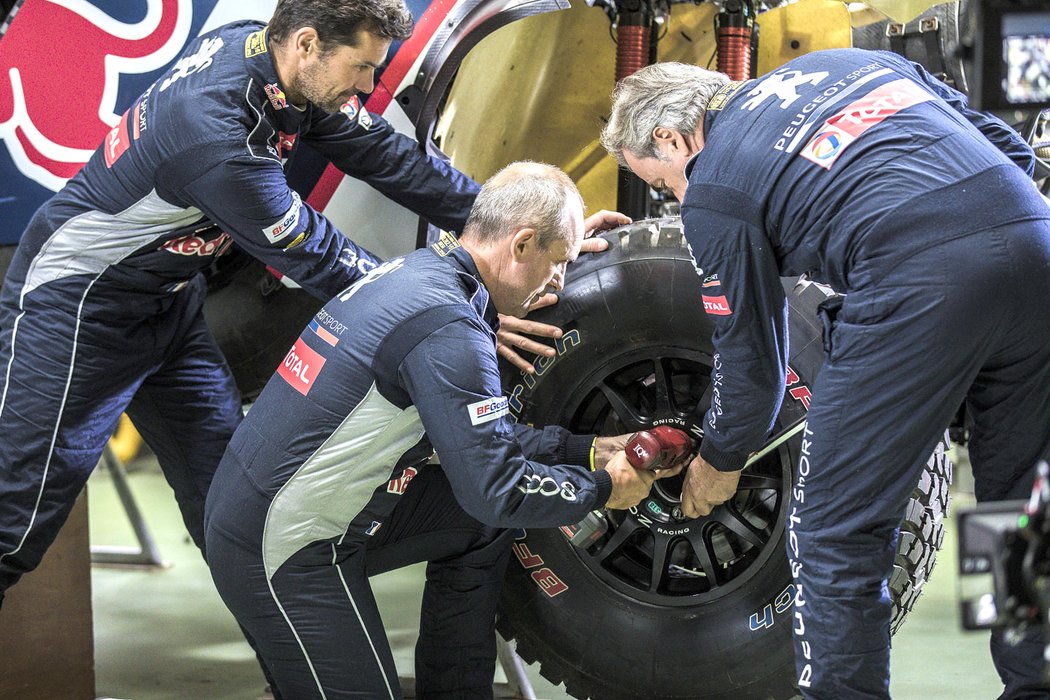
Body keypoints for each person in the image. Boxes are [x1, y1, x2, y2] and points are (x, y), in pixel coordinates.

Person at [0, 0, 608, 605]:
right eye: (363, 68)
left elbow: (394, 159)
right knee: (15, 525)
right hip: (76, 308)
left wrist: (522, 229)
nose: (369, 86)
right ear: (308, 43)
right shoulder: (216, 138)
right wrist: (455, 316)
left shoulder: (277, 66)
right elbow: (326, 259)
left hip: (169, 303)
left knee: (233, 519)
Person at [601, 49, 1050, 698]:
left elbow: (753, 359)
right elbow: (1010, 146)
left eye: (661, 181)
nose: (675, 196)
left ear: (671, 138)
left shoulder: (717, 183)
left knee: (837, 533)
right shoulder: (853, 61)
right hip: (1035, 245)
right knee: (1019, 511)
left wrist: (718, 462)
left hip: (914, 279)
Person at [203, 161, 676, 699]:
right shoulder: (450, 329)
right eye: (560, 262)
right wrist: (603, 489)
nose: (561, 282)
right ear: (521, 244)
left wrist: (586, 450)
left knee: (478, 525)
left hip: (286, 505)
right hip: (281, 546)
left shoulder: (424, 274)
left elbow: (474, 442)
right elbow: (497, 489)